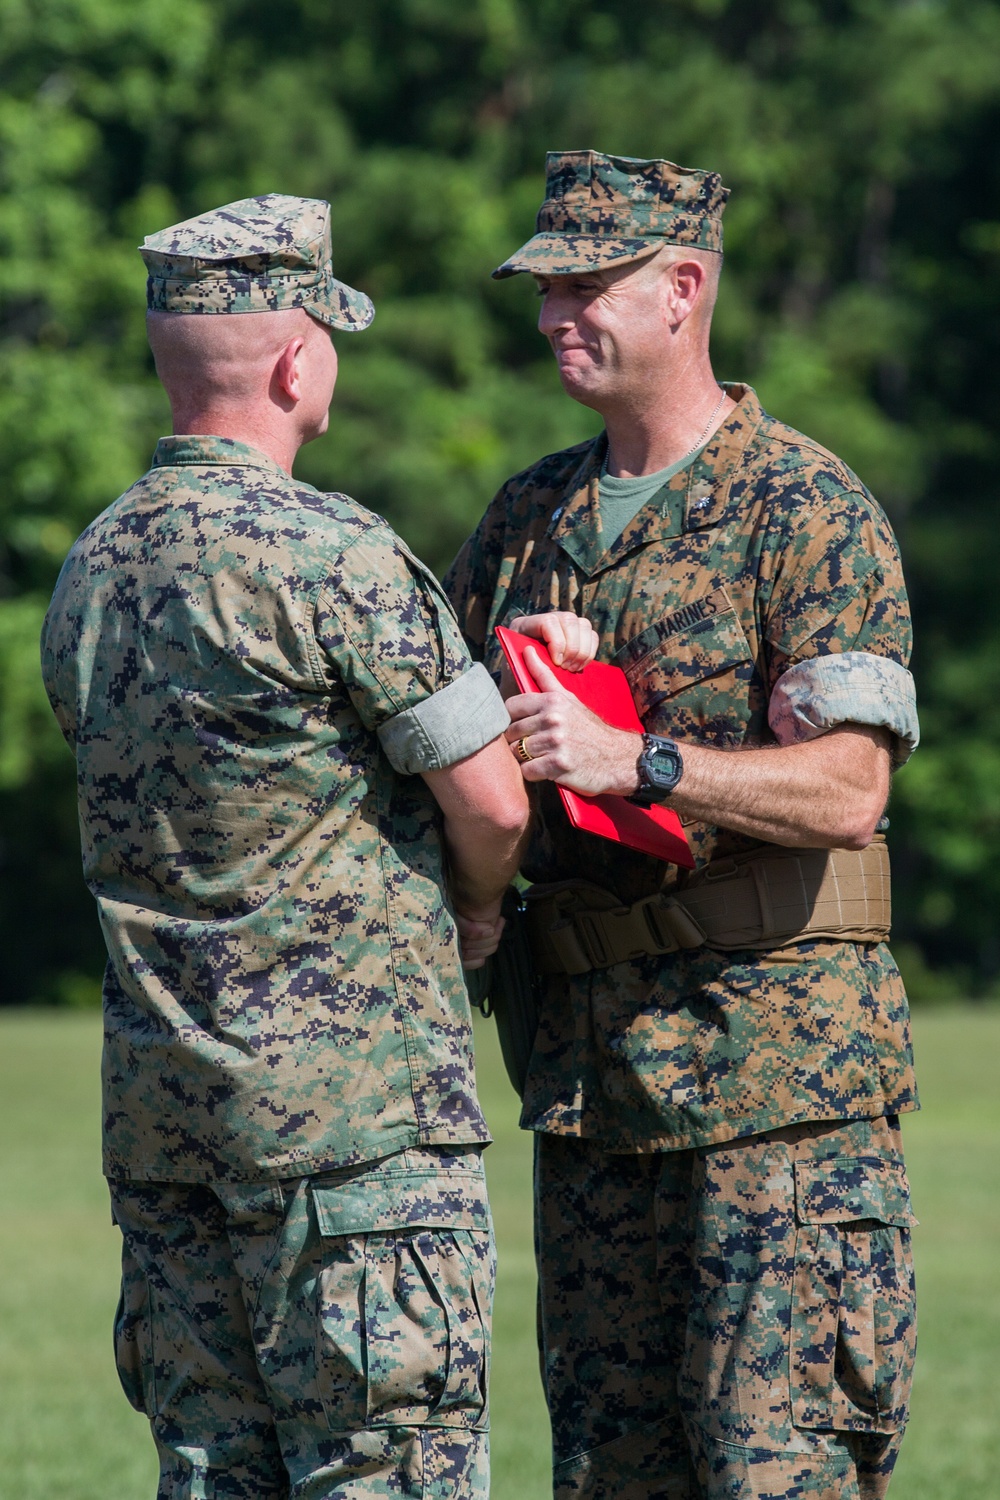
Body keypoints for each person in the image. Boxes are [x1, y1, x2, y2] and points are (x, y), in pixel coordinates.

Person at [445, 152, 920, 1500]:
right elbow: (462, 773)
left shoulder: (807, 511)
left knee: (779, 1478)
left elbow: (847, 789)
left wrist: (636, 756)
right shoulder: (528, 519)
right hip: (595, 1098)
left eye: (587, 285)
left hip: (779, 1099)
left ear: (686, 289)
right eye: (544, 291)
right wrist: (515, 695)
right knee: (607, 1478)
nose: (554, 316)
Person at [40, 193, 530, 1500]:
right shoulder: (335, 556)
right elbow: (493, 801)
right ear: (296, 358)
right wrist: (477, 917)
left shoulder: (88, 572)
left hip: (168, 1137)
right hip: (354, 1145)